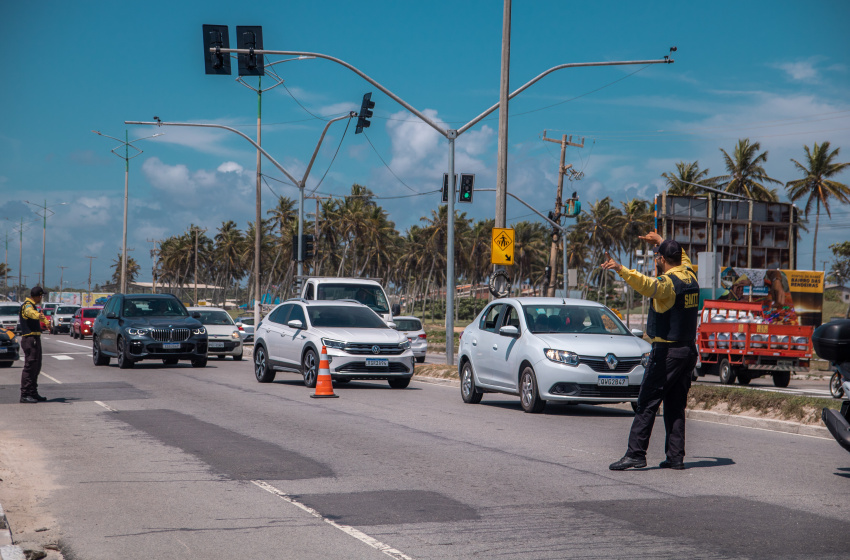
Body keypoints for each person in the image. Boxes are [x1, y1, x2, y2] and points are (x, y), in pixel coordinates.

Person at [601, 232, 700, 471]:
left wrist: (621, 270)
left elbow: (647, 285)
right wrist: (662, 241)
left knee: (647, 402)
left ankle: (636, 453)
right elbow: (682, 256)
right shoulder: (690, 275)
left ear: (662, 260)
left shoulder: (668, 284)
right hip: (688, 350)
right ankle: (675, 457)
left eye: (657, 255)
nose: (655, 259)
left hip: (667, 352)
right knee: (676, 405)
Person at [18, 286, 48, 404]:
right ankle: (25, 394)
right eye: (41, 296)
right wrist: (38, 316)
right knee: (30, 366)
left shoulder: (33, 306)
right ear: (39, 296)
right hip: (30, 339)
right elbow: (30, 313)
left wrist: (46, 322)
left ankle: (33, 392)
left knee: (36, 366)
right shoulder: (27, 306)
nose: (41, 298)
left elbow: (37, 315)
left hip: (35, 338)